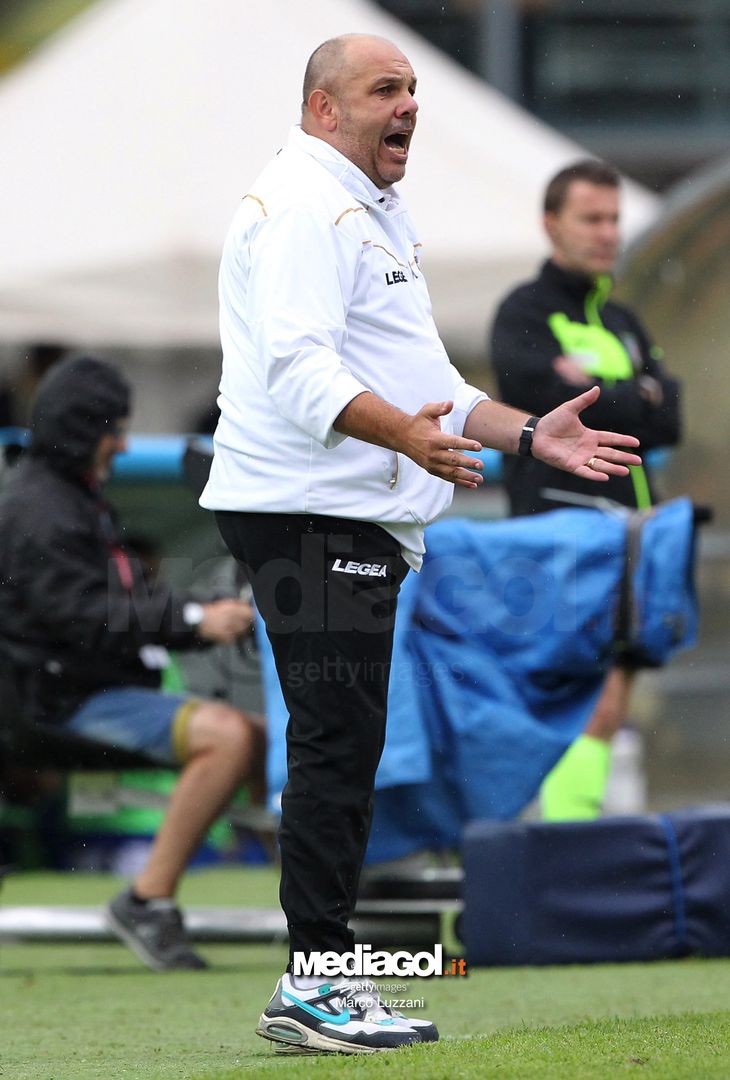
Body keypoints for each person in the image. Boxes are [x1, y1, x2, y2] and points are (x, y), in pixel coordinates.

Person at [200, 35, 641, 1055]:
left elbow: (424, 374)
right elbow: (298, 369)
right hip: (307, 509)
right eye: (383, 90)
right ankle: (315, 982)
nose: (407, 107)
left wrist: (528, 434)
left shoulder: (365, 207)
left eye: (412, 90)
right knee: (334, 743)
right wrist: (411, 439)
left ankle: (322, 974)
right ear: (321, 109)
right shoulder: (307, 205)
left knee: (342, 742)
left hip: (342, 511)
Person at [0, 355, 264, 971]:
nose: (121, 443)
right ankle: (147, 899)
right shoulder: (44, 509)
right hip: (54, 705)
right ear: (84, 428)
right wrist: (198, 621)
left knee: (256, 736)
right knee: (227, 737)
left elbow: (114, 604)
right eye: (114, 428)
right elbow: (88, 616)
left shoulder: (67, 499)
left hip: (71, 689)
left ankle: (294, 879)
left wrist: (201, 617)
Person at [489, 159, 681, 821]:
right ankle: (555, 856)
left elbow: (670, 417)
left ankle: (565, 850)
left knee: (612, 701)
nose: (607, 233)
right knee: (578, 702)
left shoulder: (623, 320)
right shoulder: (523, 310)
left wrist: (612, 392)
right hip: (557, 535)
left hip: (627, 540)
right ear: (552, 224)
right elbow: (536, 395)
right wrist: (640, 392)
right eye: (590, 219)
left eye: (614, 219)